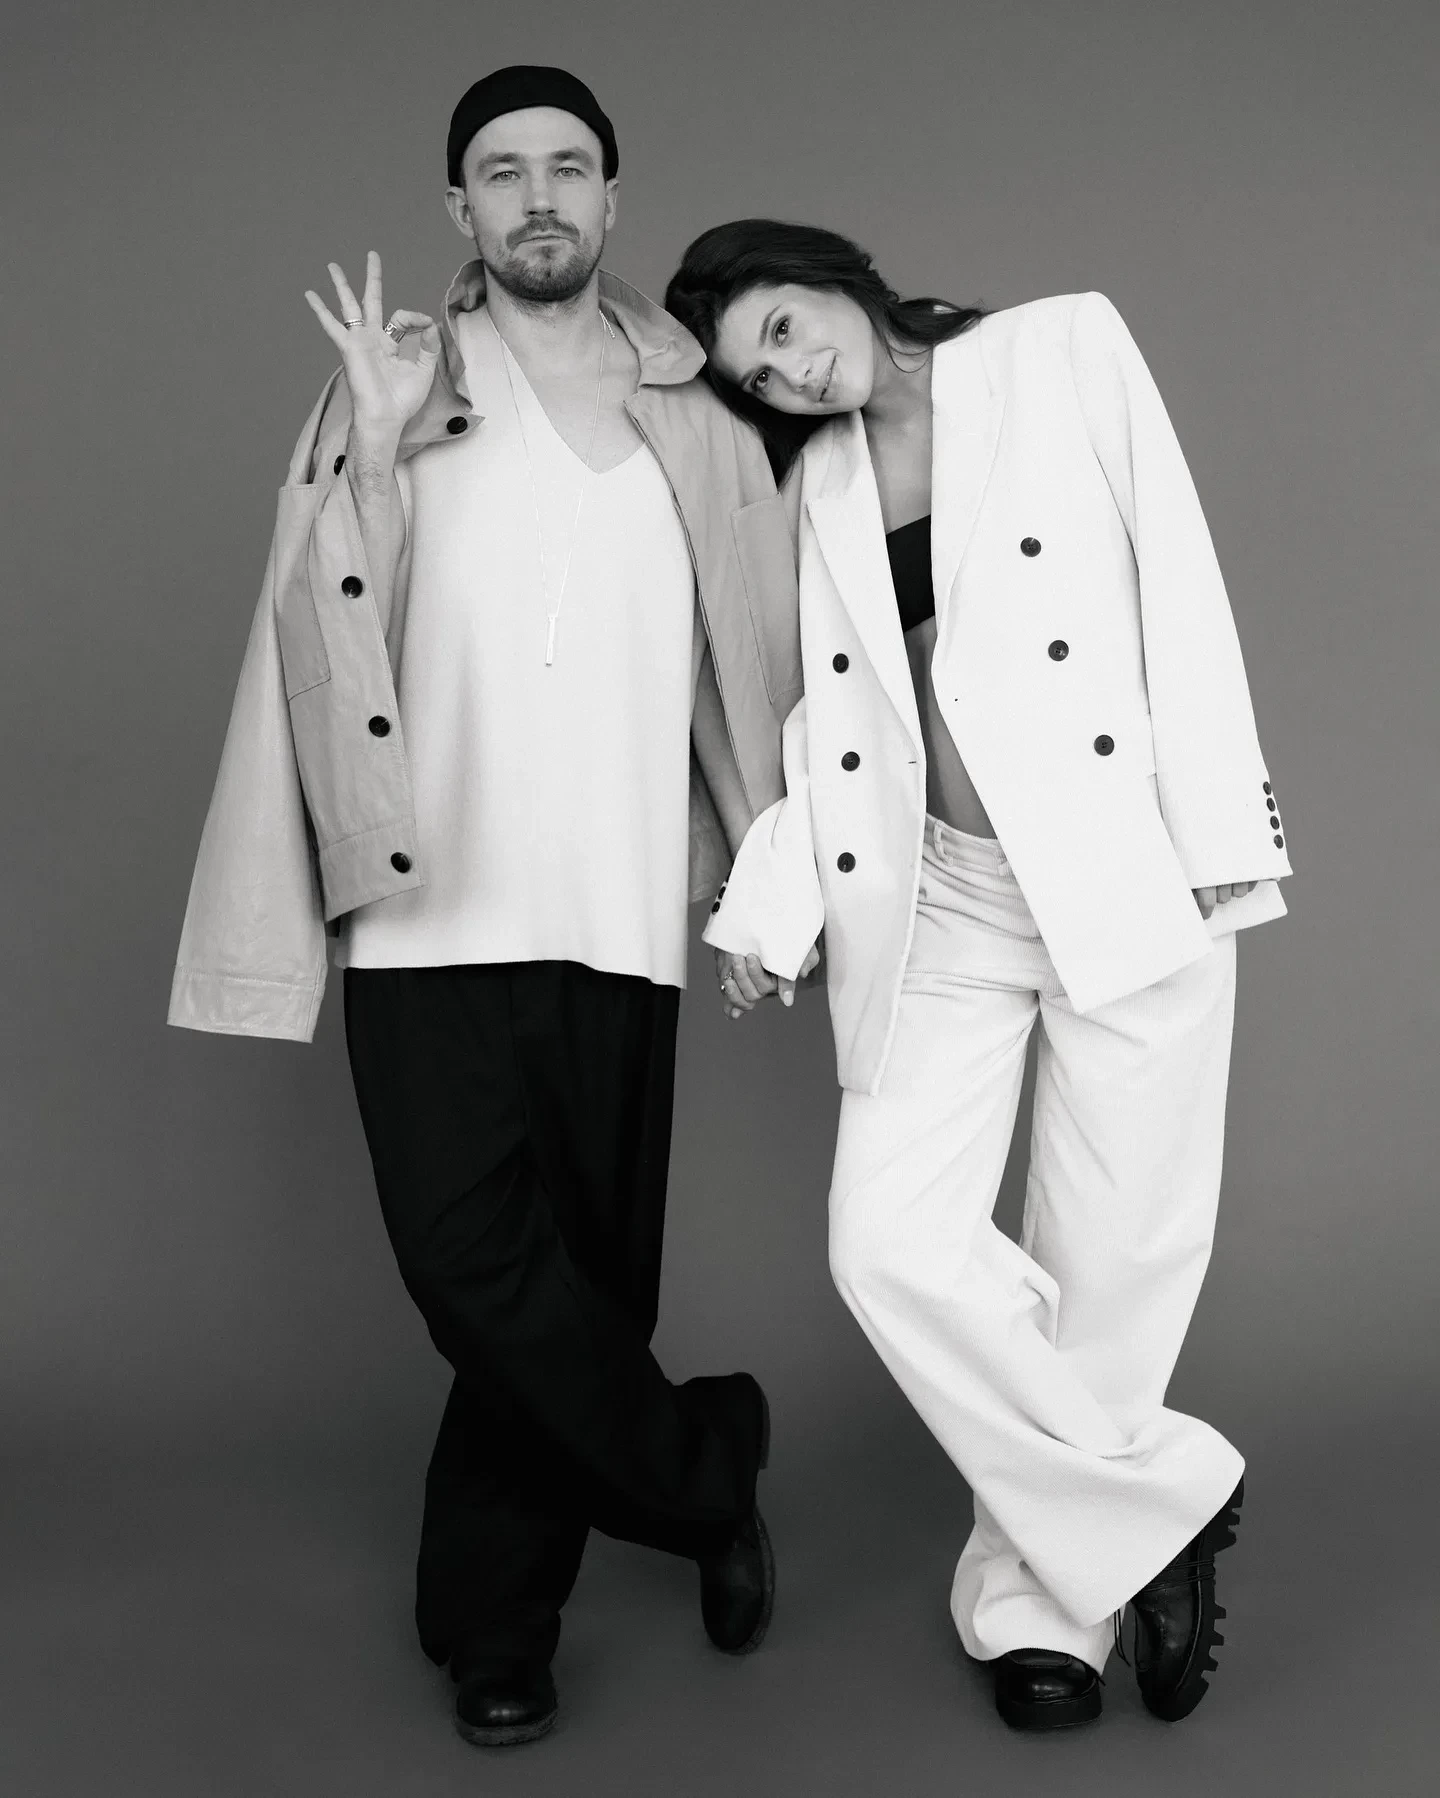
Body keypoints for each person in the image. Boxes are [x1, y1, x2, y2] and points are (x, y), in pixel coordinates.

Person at [168, 72, 803, 1749]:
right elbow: (315, 631)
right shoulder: (393, 382)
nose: (538, 197)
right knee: (472, 1267)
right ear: (461, 210)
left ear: (612, 197)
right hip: (422, 909)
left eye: (567, 168)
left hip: (621, 911)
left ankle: (496, 1625)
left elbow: (766, 659)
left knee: (587, 1285)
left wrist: (773, 879)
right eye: (502, 173)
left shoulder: (701, 411)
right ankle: (708, 1466)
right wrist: (372, 452)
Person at [666, 220, 1291, 1731]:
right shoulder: (815, 487)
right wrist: (770, 908)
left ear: (828, 274)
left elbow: (1181, 575)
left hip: (1121, 863)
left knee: (1115, 1252)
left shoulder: (1062, 347)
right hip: (940, 893)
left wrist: (1222, 826)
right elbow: (824, 724)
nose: (791, 371)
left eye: (783, 324)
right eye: (759, 375)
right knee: (889, 1241)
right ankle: (1159, 1507)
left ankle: (1038, 1609)